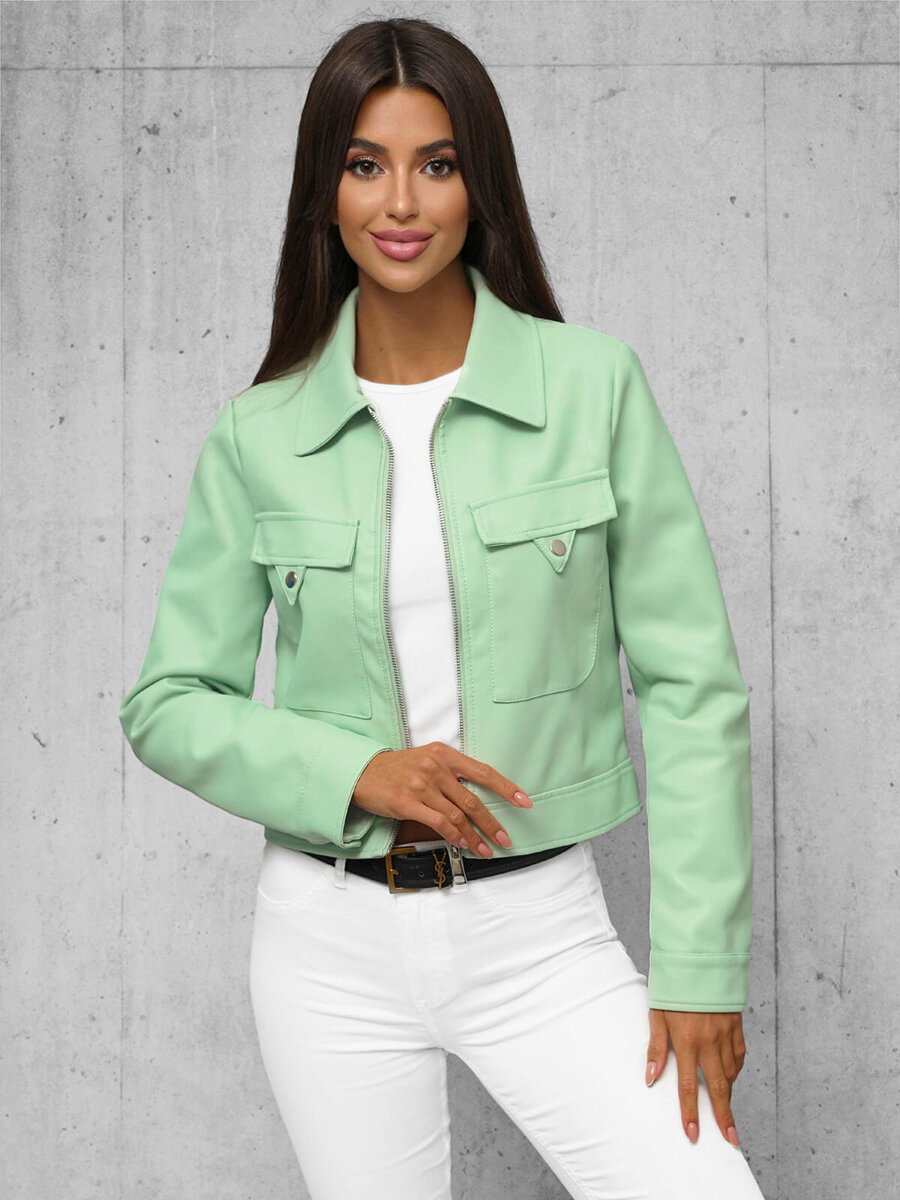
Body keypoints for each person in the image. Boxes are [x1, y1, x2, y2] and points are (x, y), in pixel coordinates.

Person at [119, 16, 766, 1200]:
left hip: (540, 934)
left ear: (482, 186)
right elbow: (168, 702)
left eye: (439, 163)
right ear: (325, 193)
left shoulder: (593, 388)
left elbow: (693, 690)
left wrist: (701, 967)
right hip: (324, 947)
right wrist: (357, 771)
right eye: (366, 164)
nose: (402, 202)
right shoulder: (258, 435)